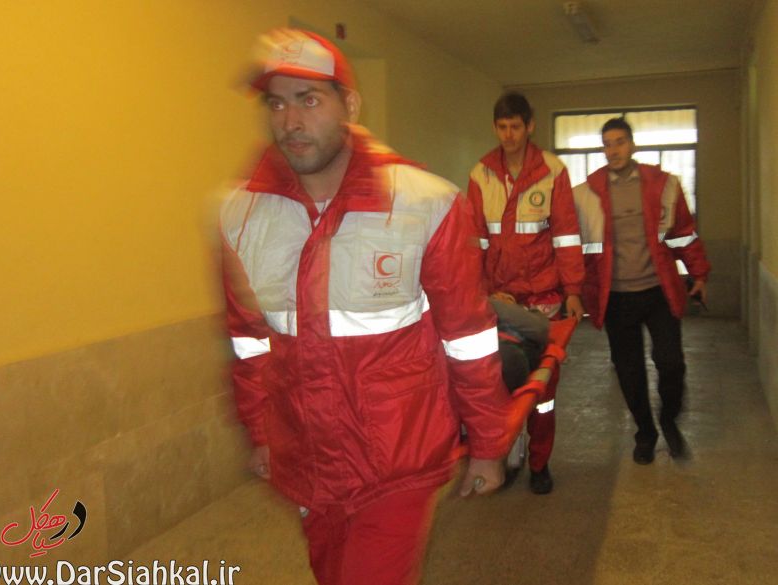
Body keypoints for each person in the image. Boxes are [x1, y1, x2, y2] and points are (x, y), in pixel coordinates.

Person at [219, 28, 515, 585]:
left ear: (350, 106)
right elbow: (248, 339)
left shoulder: (424, 205)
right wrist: (260, 431)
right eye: (276, 104)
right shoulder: (241, 215)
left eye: (309, 100)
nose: (290, 121)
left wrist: (488, 442)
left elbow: (467, 336)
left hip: (397, 460)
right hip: (307, 458)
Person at [572, 117, 711, 464]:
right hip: (615, 296)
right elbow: (574, 247)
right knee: (629, 371)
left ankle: (669, 419)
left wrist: (699, 274)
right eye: (607, 144)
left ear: (632, 145)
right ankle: (645, 433)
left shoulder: (662, 185)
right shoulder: (586, 193)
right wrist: (573, 290)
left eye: (619, 142)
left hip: (658, 291)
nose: (613, 150)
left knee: (671, 363)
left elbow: (684, 233)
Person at [466, 91, 585, 494]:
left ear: (529, 126)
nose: (509, 135)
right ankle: (504, 456)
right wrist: (485, 294)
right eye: (502, 127)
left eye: (515, 126)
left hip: (545, 300)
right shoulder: (482, 174)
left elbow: (566, 236)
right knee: (503, 380)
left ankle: (539, 463)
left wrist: (573, 290)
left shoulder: (551, 171)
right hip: (501, 300)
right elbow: (476, 244)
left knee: (543, 392)